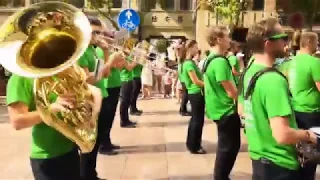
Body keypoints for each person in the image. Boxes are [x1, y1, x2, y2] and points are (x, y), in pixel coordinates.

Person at [239, 18, 318, 180]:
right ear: (268, 44)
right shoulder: (273, 80)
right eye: (283, 38)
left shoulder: (250, 71)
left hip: (259, 158)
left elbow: (241, 110)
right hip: (280, 166)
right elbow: (282, 135)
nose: (286, 42)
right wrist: (309, 135)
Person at [78, 16, 117, 180]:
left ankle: (91, 174)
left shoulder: (94, 50)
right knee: (88, 145)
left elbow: (105, 74)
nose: (98, 36)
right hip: (88, 102)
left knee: (97, 140)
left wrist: (107, 52)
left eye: (100, 33)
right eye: (95, 32)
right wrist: (110, 63)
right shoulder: (81, 52)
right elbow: (88, 79)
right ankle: (86, 175)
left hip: (101, 97)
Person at [202, 26, 240, 180]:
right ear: (219, 39)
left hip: (217, 108)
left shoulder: (209, 59)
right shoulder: (220, 62)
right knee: (229, 147)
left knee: (226, 146)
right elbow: (231, 91)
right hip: (226, 110)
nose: (229, 40)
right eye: (227, 37)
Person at [287, 31, 320, 180]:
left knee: (300, 151)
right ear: (309, 43)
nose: (317, 45)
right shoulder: (314, 62)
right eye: (316, 42)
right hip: (311, 113)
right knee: (311, 153)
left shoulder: (291, 61)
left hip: (295, 110)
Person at [96, 50, 125, 155]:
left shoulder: (109, 51)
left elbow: (119, 67)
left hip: (114, 84)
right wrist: (112, 60)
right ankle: (103, 145)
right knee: (105, 119)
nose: (110, 38)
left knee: (109, 118)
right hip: (107, 86)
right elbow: (102, 71)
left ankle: (107, 142)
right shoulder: (99, 51)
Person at [181, 40, 206, 154]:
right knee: (197, 121)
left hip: (193, 93)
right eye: (195, 47)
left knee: (195, 120)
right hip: (196, 93)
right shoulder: (189, 64)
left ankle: (191, 143)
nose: (197, 50)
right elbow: (196, 81)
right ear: (190, 48)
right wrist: (210, 85)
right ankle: (195, 146)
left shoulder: (185, 63)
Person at [120, 51, 138, 128]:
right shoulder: (122, 56)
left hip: (129, 79)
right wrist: (136, 60)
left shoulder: (127, 56)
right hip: (124, 80)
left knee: (127, 101)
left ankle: (126, 120)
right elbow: (129, 68)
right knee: (124, 102)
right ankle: (123, 121)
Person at [177, 41, 191, 116]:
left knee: (185, 95)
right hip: (184, 79)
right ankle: (183, 110)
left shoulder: (181, 59)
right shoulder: (184, 60)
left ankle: (182, 109)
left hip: (183, 78)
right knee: (185, 95)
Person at [130, 44, 144, 116]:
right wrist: (136, 59)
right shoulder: (132, 56)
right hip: (133, 76)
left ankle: (134, 108)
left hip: (138, 76)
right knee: (133, 94)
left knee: (136, 94)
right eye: (139, 48)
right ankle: (132, 109)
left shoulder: (139, 57)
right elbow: (132, 66)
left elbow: (141, 67)